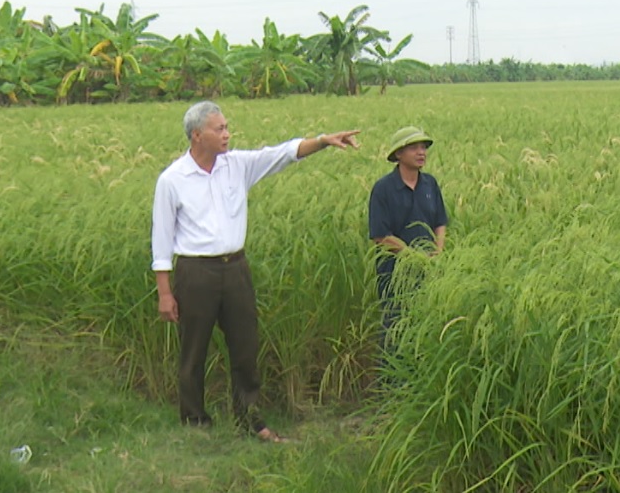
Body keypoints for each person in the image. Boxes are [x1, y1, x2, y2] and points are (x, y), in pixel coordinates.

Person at [151, 100, 359, 441]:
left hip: (235, 269)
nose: (227, 134)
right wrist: (165, 292)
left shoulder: (237, 166)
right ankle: (194, 422)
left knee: (245, 346)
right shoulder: (172, 180)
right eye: (220, 129)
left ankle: (250, 419)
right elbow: (161, 239)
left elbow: (283, 153)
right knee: (193, 348)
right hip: (195, 272)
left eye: (227, 127)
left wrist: (322, 141)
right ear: (196, 135)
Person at [367, 126, 448, 345]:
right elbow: (380, 236)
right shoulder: (383, 189)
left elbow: (440, 222)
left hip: (429, 271)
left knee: (425, 330)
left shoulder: (430, 184)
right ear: (398, 154)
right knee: (395, 332)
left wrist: (437, 252)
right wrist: (413, 256)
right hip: (395, 275)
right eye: (414, 148)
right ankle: (392, 380)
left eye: (423, 147)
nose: (421, 152)